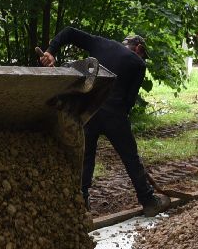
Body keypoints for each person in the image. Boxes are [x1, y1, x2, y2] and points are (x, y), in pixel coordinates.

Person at [38, 28, 171, 216]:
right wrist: (119, 127)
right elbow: (128, 102)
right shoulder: (138, 64)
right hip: (115, 114)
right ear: (138, 47)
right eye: (143, 54)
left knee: (86, 158)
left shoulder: (101, 43)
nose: (143, 58)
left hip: (89, 111)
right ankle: (149, 201)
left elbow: (68, 32)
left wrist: (50, 51)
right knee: (130, 158)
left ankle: (81, 207)